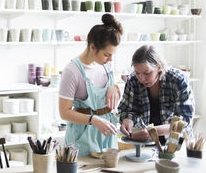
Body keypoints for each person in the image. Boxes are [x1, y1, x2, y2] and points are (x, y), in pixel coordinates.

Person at [59, 14, 123, 156]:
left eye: (112, 55)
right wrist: (93, 120)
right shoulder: (72, 71)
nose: (110, 59)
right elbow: (64, 112)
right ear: (93, 47)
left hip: (106, 131)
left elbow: (110, 87)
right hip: (82, 135)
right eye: (107, 54)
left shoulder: (106, 65)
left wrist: (115, 88)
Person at [118, 45, 195, 142]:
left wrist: (154, 131)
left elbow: (184, 122)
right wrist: (127, 121)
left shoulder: (178, 80)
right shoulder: (133, 80)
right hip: (148, 142)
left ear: (159, 67)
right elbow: (128, 110)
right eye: (137, 73)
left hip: (176, 142)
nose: (141, 78)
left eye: (147, 73)